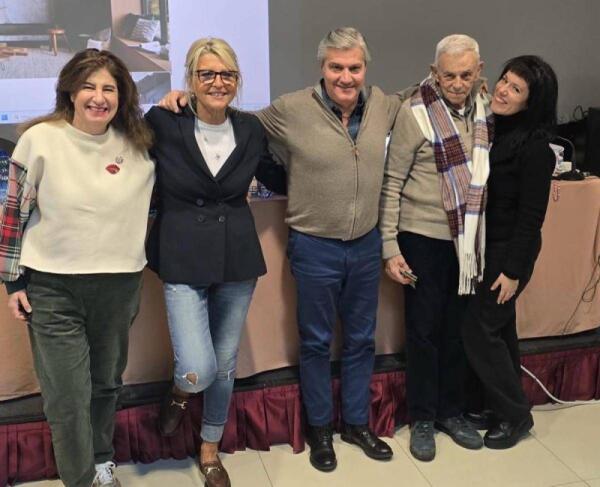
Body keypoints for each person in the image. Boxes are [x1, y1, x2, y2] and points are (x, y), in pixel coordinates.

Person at [159, 27, 399, 472]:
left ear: (365, 68)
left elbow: (428, 92)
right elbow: (222, 116)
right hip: (311, 245)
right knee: (314, 343)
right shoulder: (288, 109)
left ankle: (357, 424)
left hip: (364, 243)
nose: (346, 76)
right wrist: (179, 98)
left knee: (361, 340)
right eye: (336, 67)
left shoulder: (385, 105)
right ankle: (319, 430)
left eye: (354, 67)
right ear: (322, 68)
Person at [0, 49, 155, 487]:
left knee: (106, 383)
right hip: (53, 289)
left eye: (109, 88)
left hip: (119, 286)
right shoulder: (40, 139)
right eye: (88, 86)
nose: (98, 97)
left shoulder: (139, 144)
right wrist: (12, 282)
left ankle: (101, 459)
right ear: (70, 91)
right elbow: (13, 213)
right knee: (67, 396)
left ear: (122, 96)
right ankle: (80, 479)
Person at [145, 37, 286, 487]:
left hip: (236, 258)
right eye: (207, 74)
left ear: (238, 80)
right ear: (190, 78)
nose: (218, 82)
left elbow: (275, 174)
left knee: (224, 365)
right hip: (182, 255)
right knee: (198, 368)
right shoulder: (163, 121)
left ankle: (209, 448)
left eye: (227, 74)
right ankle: (181, 390)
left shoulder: (250, 128)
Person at [379, 34, 491, 461]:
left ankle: (452, 412)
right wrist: (390, 246)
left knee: (457, 331)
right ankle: (423, 417)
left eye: (466, 74)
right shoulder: (415, 114)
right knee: (423, 332)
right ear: (434, 73)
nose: (457, 83)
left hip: (467, 244)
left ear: (479, 72)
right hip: (421, 238)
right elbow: (392, 182)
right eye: (449, 75)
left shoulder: (485, 110)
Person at [461, 55, 558, 449]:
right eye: (504, 80)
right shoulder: (492, 130)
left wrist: (514, 271)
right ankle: (498, 405)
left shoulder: (536, 149)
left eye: (516, 89)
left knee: (479, 330)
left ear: (531, 102)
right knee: (501, 330)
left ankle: (517, 415)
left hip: (509, 252)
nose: (502, 90)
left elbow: (532, 218)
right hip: (487, 245)